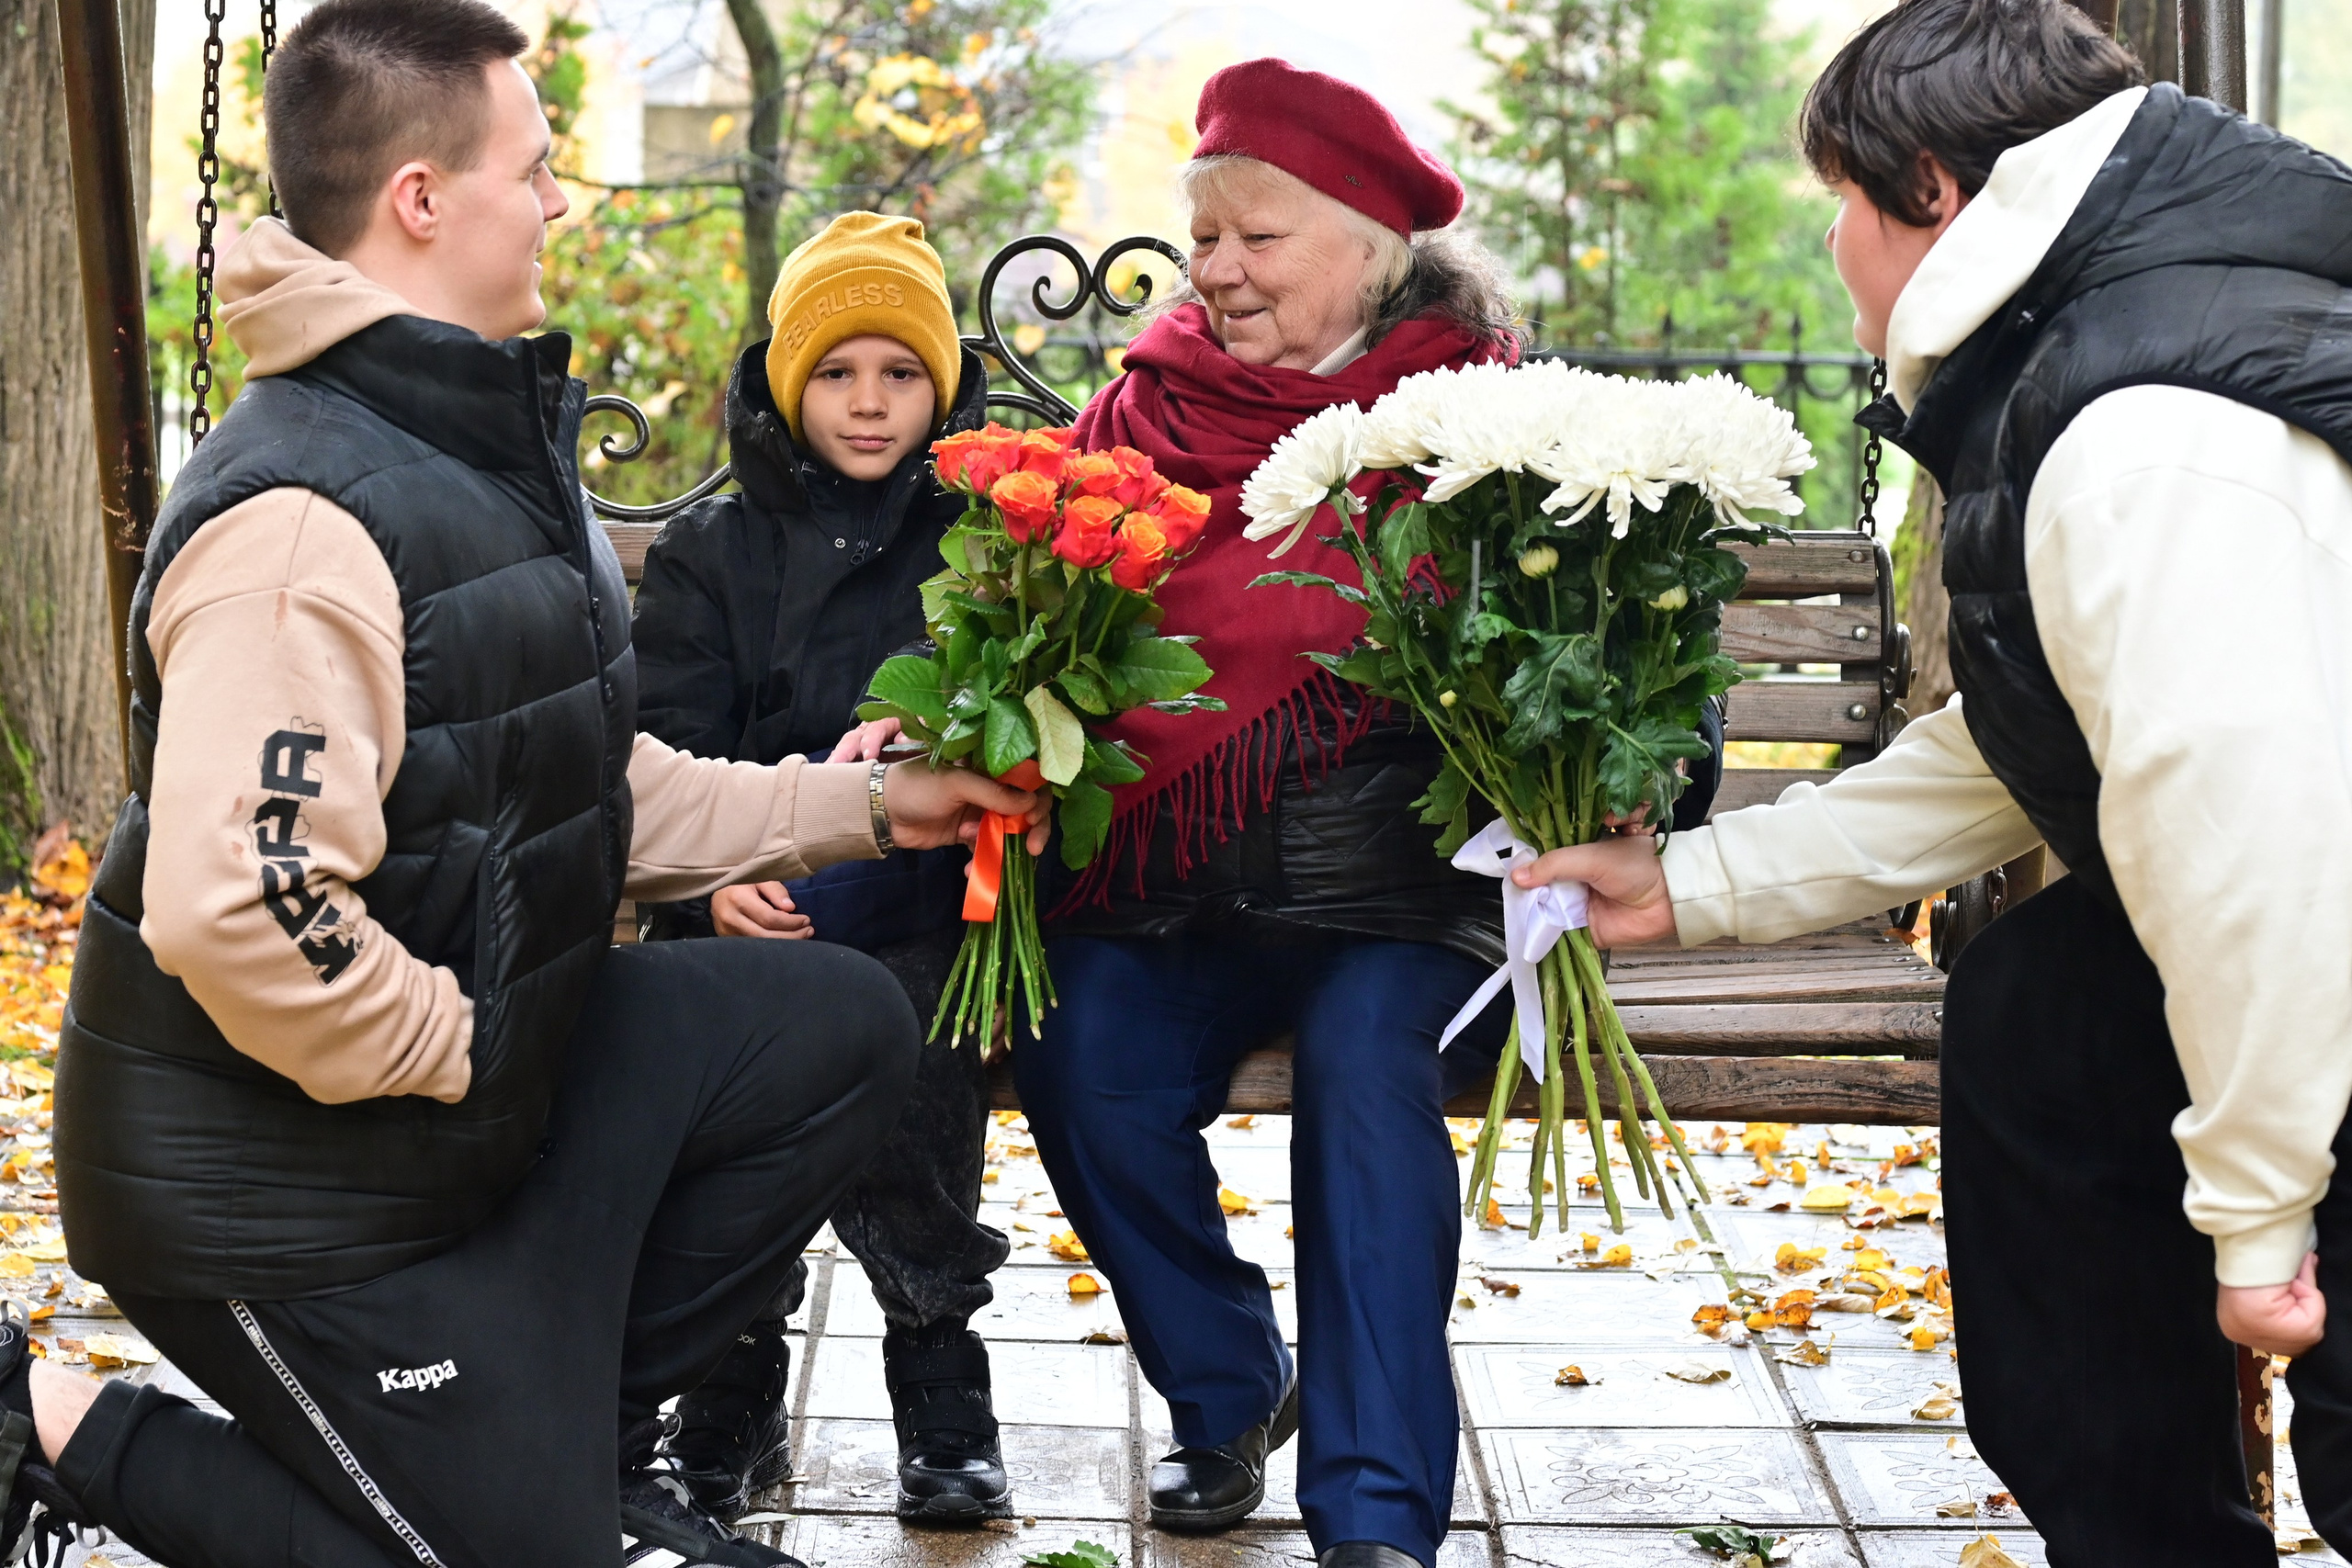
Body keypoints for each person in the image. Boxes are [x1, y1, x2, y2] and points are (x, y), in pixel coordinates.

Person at [19, 4, 1042, 1564]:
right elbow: (243, 903)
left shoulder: (478, 443)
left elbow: (585, 778)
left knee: (841, 1024)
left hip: (441, 1114)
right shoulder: (300, 525)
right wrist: (465, 1050)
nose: (562, 202)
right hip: (266, 1190)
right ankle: (47, 1425)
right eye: (538, 166)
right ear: (425, 199)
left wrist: (867, 808)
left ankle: (555, 1441)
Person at [1520, 3, 2352, 1562]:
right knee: (2046, 994)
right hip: (2296, 950)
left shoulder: (2146, 439)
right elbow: (2024, 743)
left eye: (1838, 203)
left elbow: (2254, 853)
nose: (1836, 247)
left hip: (2321, 958)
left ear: (1932, 190)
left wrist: (2260, 1225)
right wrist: (1690, 885)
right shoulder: (2101, 353)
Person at [994, 60, 1719, 1568]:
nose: (1218, 270)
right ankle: (1227, 1381)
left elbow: (1644, 646)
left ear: (1373, 250)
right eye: (1204, 237)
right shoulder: (1140, 411)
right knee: (1083, 1052)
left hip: (1404, 892)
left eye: (1258, 237)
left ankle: (1376, 1515)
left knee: (1365, 1081)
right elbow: (1024, 619)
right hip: (1172, 881)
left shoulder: (1492, 427)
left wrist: (1645, 777)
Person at [628, 212, 1016, 1524]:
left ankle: (936, 1360)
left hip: (910, 899)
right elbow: (657, 750)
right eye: (838, 373)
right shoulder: (709, 556)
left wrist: (952, 723)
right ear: (791, 383)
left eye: (901, 373)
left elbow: (1024, 722)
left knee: (915, 1066)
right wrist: (700, 885)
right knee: (720, 1109)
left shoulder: (984, 547)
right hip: (745, 896)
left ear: (943, 385)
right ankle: (730, 1382)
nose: (868, 403)